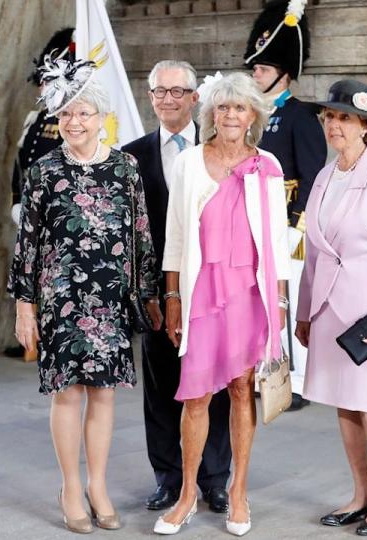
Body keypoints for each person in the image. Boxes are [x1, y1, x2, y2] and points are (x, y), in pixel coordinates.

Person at [9, 56, 162, 535]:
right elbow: (28, 243)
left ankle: (98, 484)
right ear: (58, 119)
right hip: (59, 302)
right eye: (67, 113)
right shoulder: (42, 172)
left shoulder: (125, 168)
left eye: (85, 113)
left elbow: (141, 237)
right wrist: (23, 306)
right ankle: (70, 487)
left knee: (104, 394)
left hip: (110, 302)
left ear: (102, 118)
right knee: (68, 393)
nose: (75, 121)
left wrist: (150, 296)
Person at [153, 71, 290, 536]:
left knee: (239, 389)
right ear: (211, 113)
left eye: (241, 108)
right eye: (224, 107)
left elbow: (278, 241)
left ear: (253, 116)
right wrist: (172, 297)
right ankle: (187, 494)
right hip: (200, 288)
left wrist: (281, 303)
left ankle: (238, 492)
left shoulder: (267, 164)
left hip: (249, 293)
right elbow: (174, 236)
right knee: (195, 395)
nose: (232, 115)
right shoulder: (189, 163)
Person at [295, 80, 367, 536]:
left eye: (344, 117)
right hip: (327, 311)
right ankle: (361, 494)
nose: (333, 124)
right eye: (329, 116)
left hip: (366, 315)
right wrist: (305, 313)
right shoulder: (325, 176)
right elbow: (314, 251)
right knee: (345, 406)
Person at [122, 60, 233, 515]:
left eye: (177, 91)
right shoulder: (130, 155)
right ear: (150, 98)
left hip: (212, 285)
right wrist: (140, 290)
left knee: (217, 386)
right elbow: (128, 229)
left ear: (194, 99)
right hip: (154, 291)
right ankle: (168, 479)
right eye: (158, 91)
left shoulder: (218, 152)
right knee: (162, 385)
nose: (167, 99)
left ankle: (214, 479)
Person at [244, 0, 327, 410]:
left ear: (283, 71)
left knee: (290, 299)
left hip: (290, 224)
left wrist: (301, 226)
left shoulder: (300, 117)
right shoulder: (253, 116)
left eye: (262, 67)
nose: (255, 72)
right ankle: (268, 373)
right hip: (257, 220)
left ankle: (294, 383)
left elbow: (313, 176)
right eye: (255, 67)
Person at [4, 28, 75, 359]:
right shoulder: (37, 119)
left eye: (49, 80)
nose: (42, 86)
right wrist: (17, 202)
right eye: (43, 79)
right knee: (30, 278)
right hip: (30, 212)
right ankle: (31, 339)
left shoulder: (68, 121)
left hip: (55, 216)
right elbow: (21, 164)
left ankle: (50, 339)